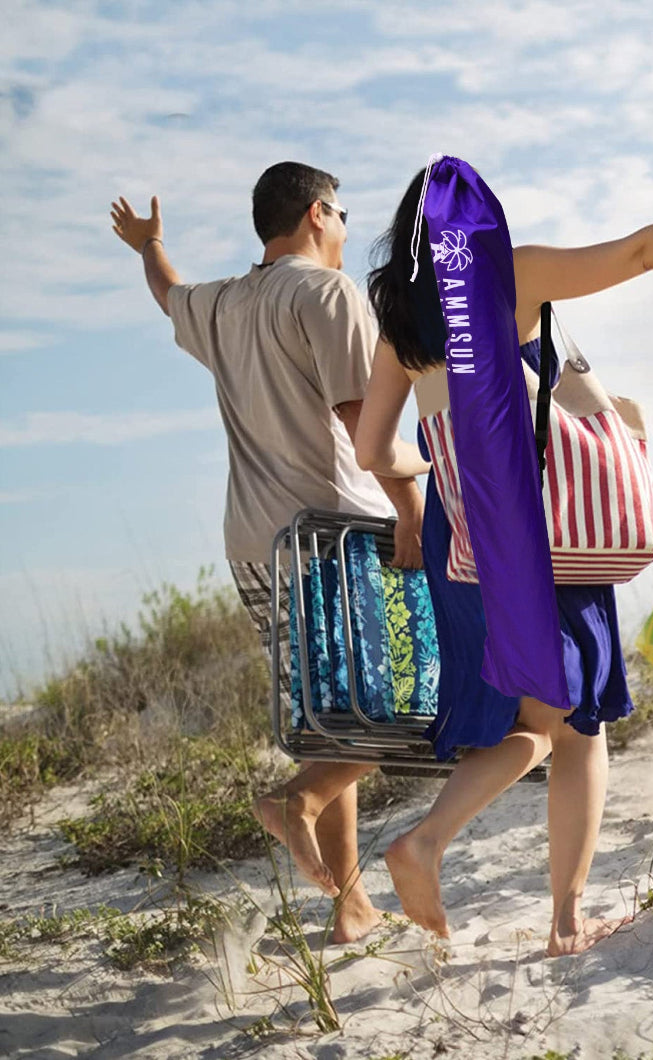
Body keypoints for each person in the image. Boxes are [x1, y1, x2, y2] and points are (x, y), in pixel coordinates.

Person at [355, 149, 653, 954]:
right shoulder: (509, 274)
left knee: (533, 724)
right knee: (579, 728)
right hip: (544, 536)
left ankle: (431, 842)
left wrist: (444, 458)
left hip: (468, 544)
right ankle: (557, 918)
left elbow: (376, 450)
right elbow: (640, 252)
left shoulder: (402, 325)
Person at [110, 162, 427, 943]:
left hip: (257, 544)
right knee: (415, 701)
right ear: (318, 213)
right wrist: (416, 514)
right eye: (344, 214)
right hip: (337, 533)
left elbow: (166, 293)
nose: (349, 230)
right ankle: (299, 802)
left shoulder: (219, 302)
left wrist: (149, 246)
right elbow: (369, 431)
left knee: (334, 720)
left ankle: (349, 903)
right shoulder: (326, 294)